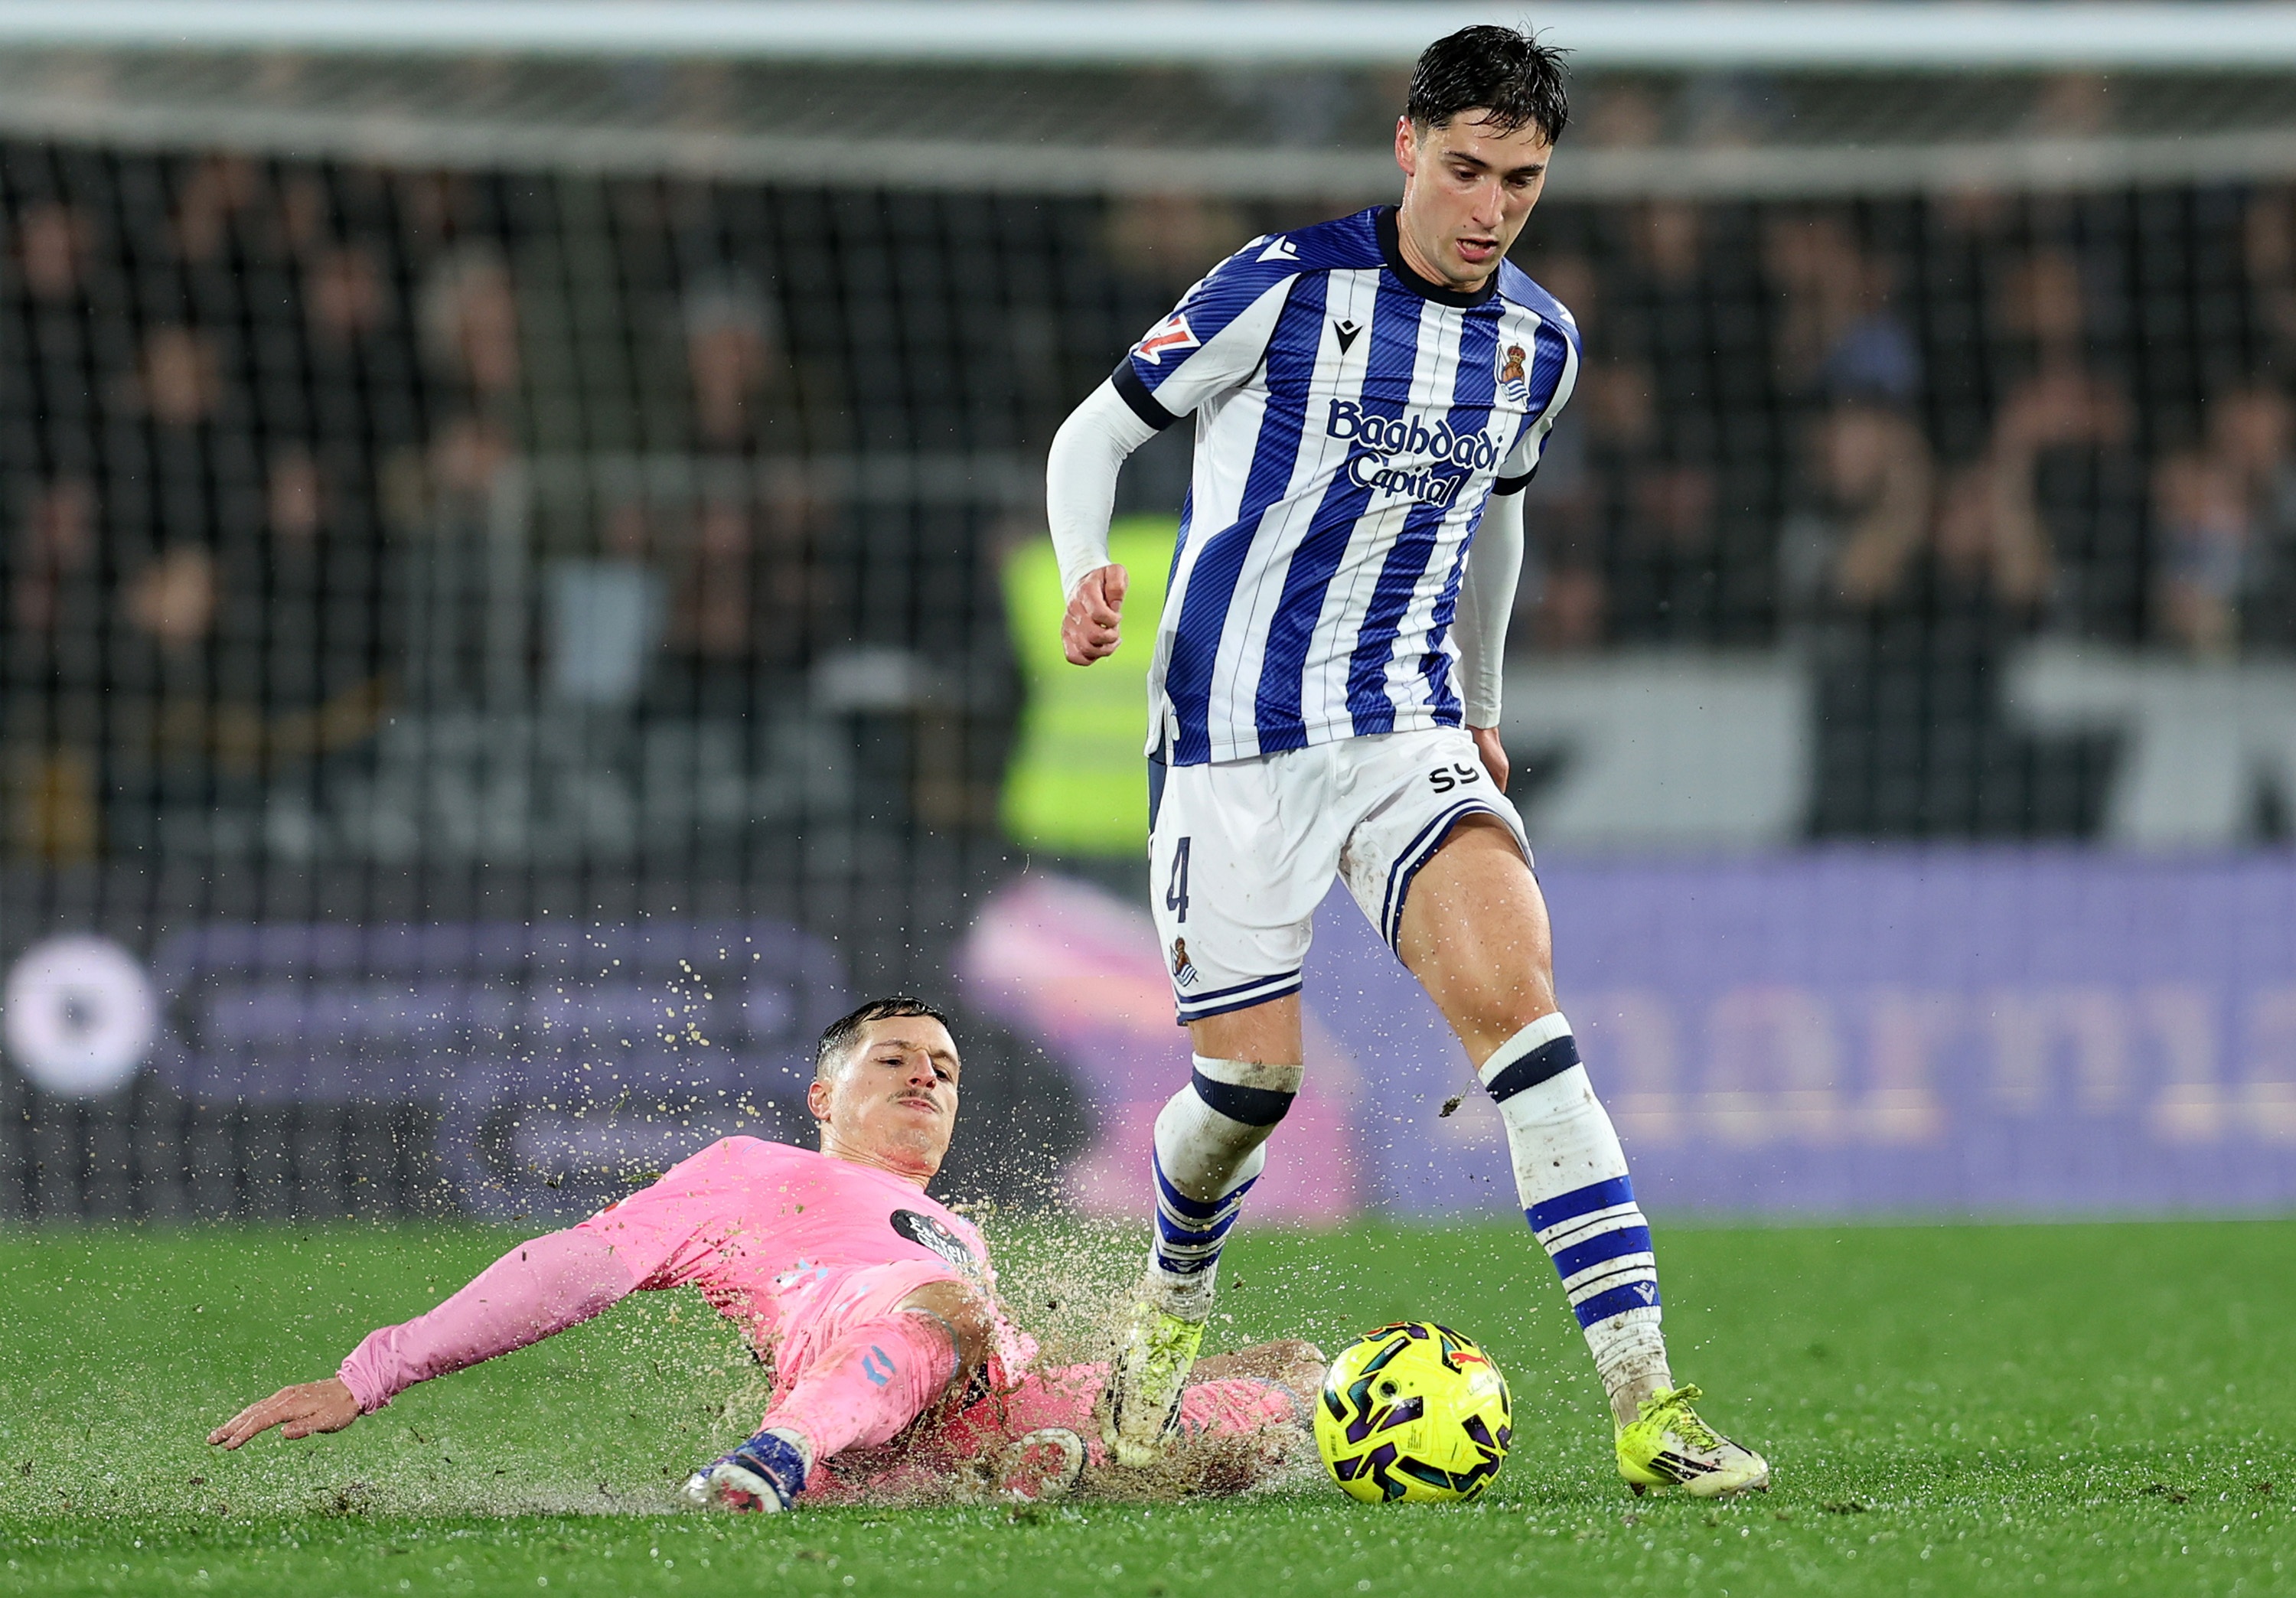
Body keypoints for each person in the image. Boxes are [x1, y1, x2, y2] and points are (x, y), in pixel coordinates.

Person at [1042, 24, 1768, 1495]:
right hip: (1232, 749)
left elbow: (1498, 518)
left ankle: (1650, 1408)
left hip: (1406, 731)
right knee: (1247, 1095)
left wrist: (1483, 697)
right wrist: (1080, 572)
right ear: (1406, 147)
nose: (1490, 206)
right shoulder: (1284, 283)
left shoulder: (1538, 344)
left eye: (1522, 179)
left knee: (1529, 1027)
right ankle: (1167, 1311)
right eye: (1465, 169)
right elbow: (1092, 435)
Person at [208, 997, 1319, 1510]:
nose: (927, 1077)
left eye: (944, 1067)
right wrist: (372, 1370)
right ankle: (780, 1460)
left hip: (979, 1392)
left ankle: (1002, 1474)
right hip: (856, 1356)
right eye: (894, 1060)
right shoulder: (746, 1170)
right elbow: (573, 1268)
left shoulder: (956, 1228)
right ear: (822, 1096)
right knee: (951, 1308)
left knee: (1268, 1389)